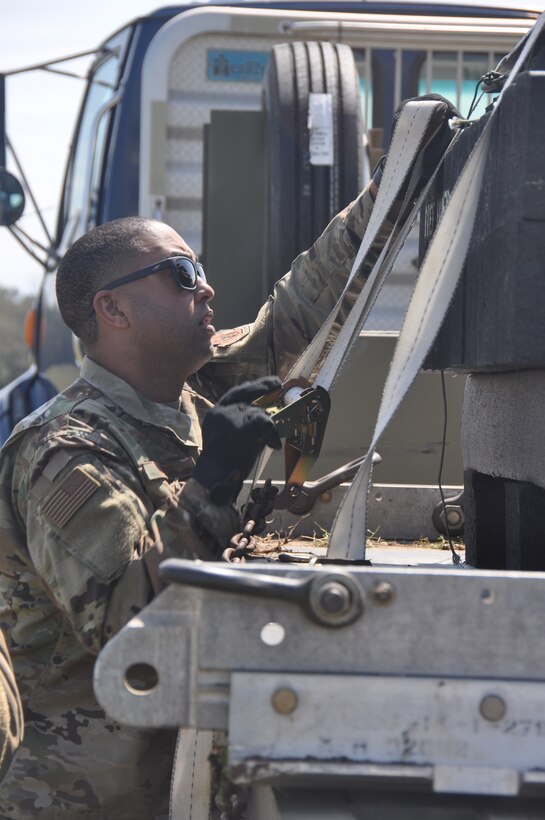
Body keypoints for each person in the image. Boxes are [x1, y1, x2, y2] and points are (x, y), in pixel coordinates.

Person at [0, 95, 458, 818]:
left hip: (182, 778)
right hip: (90, 799)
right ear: (112, 311)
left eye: (200, 268)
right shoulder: (67, 453)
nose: (205, 285)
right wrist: (212, 484)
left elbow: (301, 307)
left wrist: (392, 188)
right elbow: (129, 624)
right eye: (180, 275)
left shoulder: (192, 389)